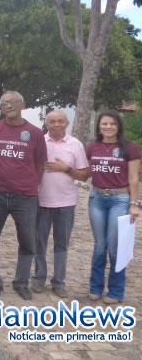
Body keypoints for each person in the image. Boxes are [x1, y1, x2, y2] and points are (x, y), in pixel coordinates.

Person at [0, 91, 47, 300]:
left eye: (11, 102)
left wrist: (31, 184)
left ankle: (21, 282)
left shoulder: (35, 133)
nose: (7, 106)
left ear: (22, 104)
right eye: (3, 103)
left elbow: (40, 164)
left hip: (25, 197)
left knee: (27, 242)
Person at [31, 110, 89, 298]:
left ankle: (59, 282)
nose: (56, 124)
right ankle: (39, 278)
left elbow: (84, 175)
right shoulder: (39, 141)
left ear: (66, 123)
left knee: (61, 245)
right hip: (40, 201)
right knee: (39, 243)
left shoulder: (76, 145)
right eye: (52, 121)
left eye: (60, 121)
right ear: (46, 123)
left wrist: (66, 168)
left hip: (66, 203)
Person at [87, 110, 140, 304]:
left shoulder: (130, 148)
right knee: (99, 246)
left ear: (119, 127)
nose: (108, 127)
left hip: (120, 199)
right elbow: (85, 172)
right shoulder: (92, 147)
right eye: (104, 124)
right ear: (99, 127)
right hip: (97, 199)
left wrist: (135, 204)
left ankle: (116, 291)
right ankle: (95, 287)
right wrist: (66, 169)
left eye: (112, 124)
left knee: (115, 246)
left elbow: (134, 179)